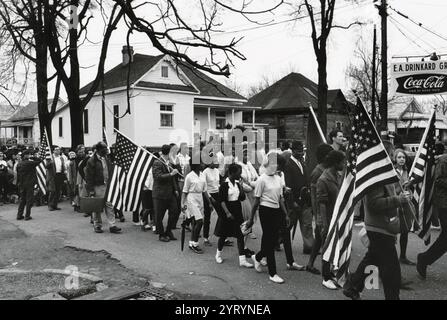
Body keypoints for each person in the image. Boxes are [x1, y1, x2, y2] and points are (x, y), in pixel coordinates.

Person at [343, 141, 411, 300]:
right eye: (392, 153)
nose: (393, 157)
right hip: (379, 227)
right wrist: (397, 199)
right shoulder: (376, 176)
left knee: (372, 258)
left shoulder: (384, 173)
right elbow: (374, 204)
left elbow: (389, 193)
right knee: (392, 270)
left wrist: (401, 191)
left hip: (382, 226)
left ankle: (353, 286)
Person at [248, 152, 290, 284]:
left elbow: (280, 198)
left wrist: (286, 214)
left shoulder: (278, 178)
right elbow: (256, 201)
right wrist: (250, 219)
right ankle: (273, 273)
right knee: (270, 241)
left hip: (277, 210)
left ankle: (258, 256)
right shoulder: (261, 180)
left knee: (271, 240)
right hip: (265, 211)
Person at [417, 143, 447, 279]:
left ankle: (424, 259)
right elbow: (438, 180)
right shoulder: (443, 160)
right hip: (444, 204)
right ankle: (424, 259)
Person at [316, 150, 345, 290]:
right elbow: (321, 203)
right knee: (326, 247)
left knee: (335, 247)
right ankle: (325, 277)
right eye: (342, 162)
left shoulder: (336, 176)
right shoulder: (323, 179)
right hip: (328, 218)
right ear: (335, 163)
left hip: (336, 217)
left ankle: (331, 273)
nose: (344, 164)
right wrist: (324, 224)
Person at [214, 163, 254, 268]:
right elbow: (222, 200)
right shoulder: (224, 184)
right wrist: (227, 213)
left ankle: (242, 260)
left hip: (237, 210)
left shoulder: (237, 184)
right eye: (238, 173)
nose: (240, 175)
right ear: (231, 173)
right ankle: (218, 254)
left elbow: (241, 198)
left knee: (240, 235)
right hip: (227, 211)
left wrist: (240, 186)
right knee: (223, 235)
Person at [306, 143, 334, 275]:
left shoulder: (328, 168)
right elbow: (314, 196)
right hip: (321, 210)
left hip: (329, 208)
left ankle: (310, 264)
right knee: (323, 238)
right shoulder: (318, 171)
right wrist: (317, 215)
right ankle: (327, 269)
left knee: (318, 238)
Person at [284, 140, 314, 254]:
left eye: (302, 151)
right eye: (298, 151)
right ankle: (277, 241)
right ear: (292, 151)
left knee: (307, 224)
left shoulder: (303, 163)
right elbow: (288, 186)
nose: (301, 153)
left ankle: (309, 246)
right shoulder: (288, 165)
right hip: (294, 201)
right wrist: (292, 202)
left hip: (305, 199)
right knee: (289, 224)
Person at [85, 142, 121, 234]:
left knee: (109, 205)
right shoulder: (92, 161)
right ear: (99, 150)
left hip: (107, 185)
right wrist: (91, 190)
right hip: (97, 186)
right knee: (97, 206)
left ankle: (112, 225)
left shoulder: (106, 158)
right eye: (104, 148)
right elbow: (89, 177)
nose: (106, 150)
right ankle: (97, 225)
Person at [181, 159, 210, 254]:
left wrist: (209, 202)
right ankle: (195, 243)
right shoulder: (189, 176)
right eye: (201, 163)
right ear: (196, 165)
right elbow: (185, 191)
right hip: (191, 198)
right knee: (199, 221)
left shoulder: (202, 175)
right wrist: (182, 203)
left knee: (195, 222)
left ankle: (191, 243)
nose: (203, 164)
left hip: (200, 198)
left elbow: (205, 190)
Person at [152, 144, 180, 242]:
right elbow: (157, 177)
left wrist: (175, 189)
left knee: (174, 211)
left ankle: (168, 231)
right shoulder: (157, 162)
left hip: (170, 192)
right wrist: (171, 174)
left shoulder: (170, 163)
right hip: (160, 193)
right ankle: (161, 234)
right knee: (159, 216)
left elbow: (173, 179)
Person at [393, 149, 415, 266]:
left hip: (406, 205)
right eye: (399, 157)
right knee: (393, 232)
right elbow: (390, 190)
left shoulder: (407, 171)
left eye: (403, 157)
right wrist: (400, 190)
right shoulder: (392, 172)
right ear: (395, 159)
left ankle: (403, 256)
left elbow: (410, 190)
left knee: (405, 231)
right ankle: (390, 258)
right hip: (395, 205)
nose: (402, 159)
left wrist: (410, 193)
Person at [16, 150, 40, 220]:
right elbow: (40, 161)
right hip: (29, 184)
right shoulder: (29, 163)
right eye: (28, 154)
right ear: (25, 156)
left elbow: (18, 175)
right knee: (29, 200)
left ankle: (19, 215)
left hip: (22, 184)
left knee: (22, 200)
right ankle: (27, 215)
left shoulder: (19, 164)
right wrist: (34, 157)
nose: (29, 155)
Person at [202, 157, 220, 246]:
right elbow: (204, 187)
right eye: (215, 161)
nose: (217, 162)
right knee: (207, 217)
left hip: (217, 194)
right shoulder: (205, 172)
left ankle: (222, 236)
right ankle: (205, 238)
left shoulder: (217, 171)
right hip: (208, 195)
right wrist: (210, 200)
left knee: (222, 215)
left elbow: (217, 184)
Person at [46, 146, 66, 211]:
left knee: (58, 191)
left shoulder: (61, 158)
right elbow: (46, 166)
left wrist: (64, 171)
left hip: (59, 175)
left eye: (59, 150)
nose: (58, 151)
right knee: (52, 191)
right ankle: (50, 205)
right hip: (52, 176)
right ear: (53, 151)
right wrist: (50, 163)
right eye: (56, 150)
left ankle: (55, 205)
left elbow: (63, 166)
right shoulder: (50, 158)